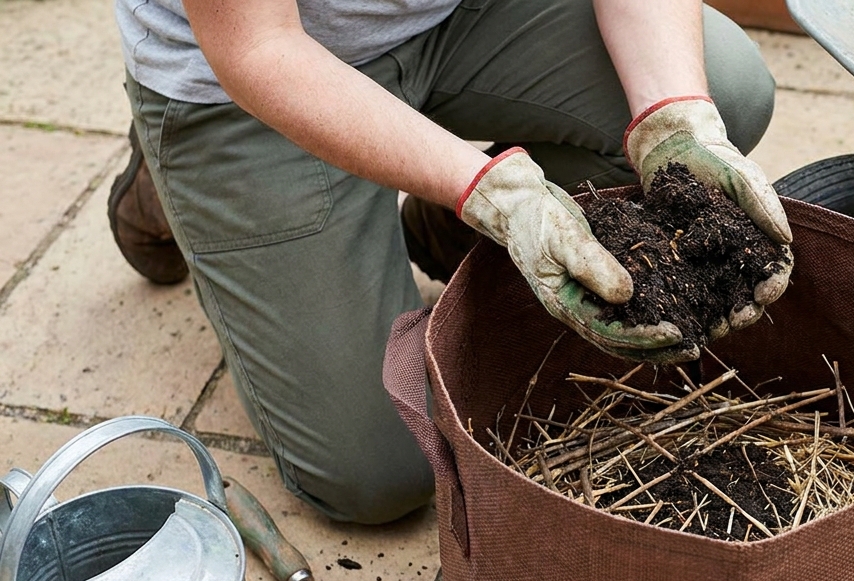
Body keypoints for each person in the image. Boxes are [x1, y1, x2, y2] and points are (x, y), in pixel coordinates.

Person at [108, 0, 793, 525]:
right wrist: (492, 195)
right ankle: (174, 182)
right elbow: (255, 46)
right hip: (251, 73)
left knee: (726, 90)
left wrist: (672, 117)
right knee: (381, 472)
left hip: (457, 18)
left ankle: (443, 228)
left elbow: (679, 104)